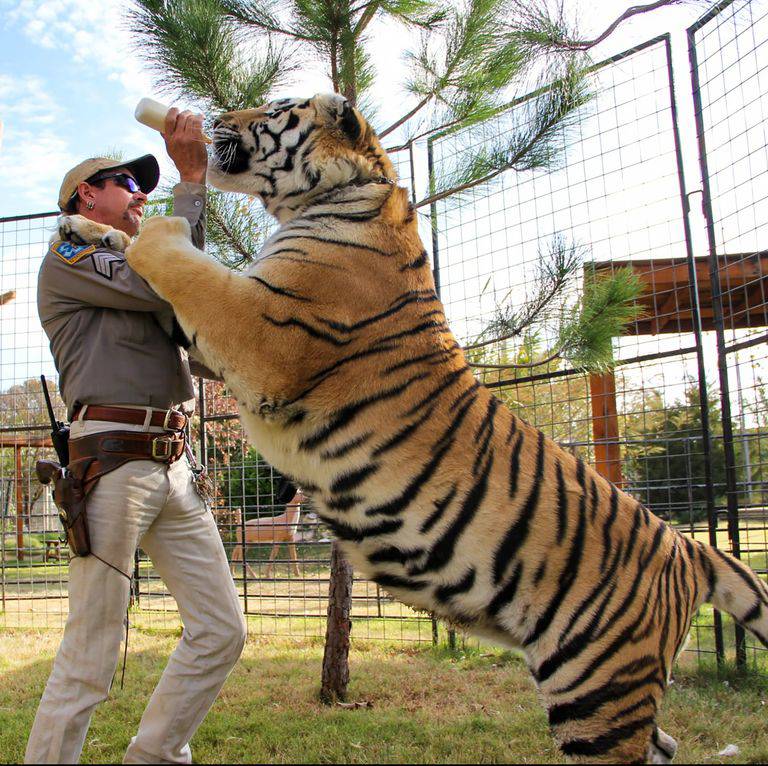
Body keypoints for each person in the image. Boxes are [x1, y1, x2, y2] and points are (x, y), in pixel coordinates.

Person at [26, 109, 247, 765]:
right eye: (125, 181)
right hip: (113, 463)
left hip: (176, 462)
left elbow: (193, 299)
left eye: (142, 184)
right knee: (93, 651)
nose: (138, 192)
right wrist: (191, 180)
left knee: (221, 631)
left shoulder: (139, 263)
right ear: (85, 196)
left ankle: (153, 756)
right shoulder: (73, 249)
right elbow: (171, 281)